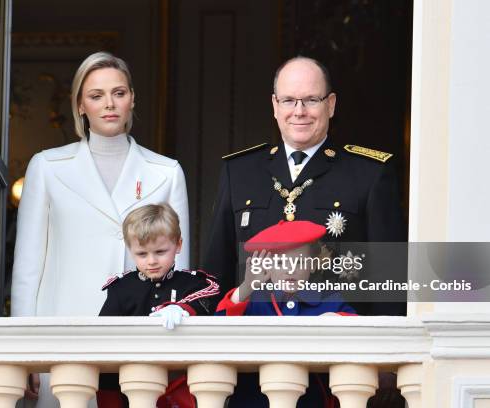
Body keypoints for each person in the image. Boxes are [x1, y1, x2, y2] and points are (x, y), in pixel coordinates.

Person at [11, 52, 190, 407]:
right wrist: (23, 351)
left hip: (138, 343)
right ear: (80, 104)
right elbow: (28, 269)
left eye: (119, 93)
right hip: (61, 337)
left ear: (132, 99)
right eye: (96, 95)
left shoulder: (166, 172)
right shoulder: (47, 167)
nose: (109, 104)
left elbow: (178, 273)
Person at [202, 56, 406, 315]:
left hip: (339, 346)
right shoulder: (239, 172)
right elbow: (215, 272)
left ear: (330, 105)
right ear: (275, 105)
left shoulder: (369, 174)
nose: (299, 111)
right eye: (288, 100)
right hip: (254, 344)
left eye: (311, 100)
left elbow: (390, 281)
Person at [215, 220, 355, 408]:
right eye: (280, 262)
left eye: (298, 261)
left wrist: (336, 319)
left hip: (310, 400)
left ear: (313, 265)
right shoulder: (255, 300)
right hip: (254, 400)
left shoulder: (328, 299)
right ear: (267, 267)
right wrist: (247, 287)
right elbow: (219, 326)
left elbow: (358, 328)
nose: (290, 269)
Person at [99, 203, 219, 408]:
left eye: (160, 251)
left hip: (180, 387)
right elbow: (104, 340)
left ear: (178, 244)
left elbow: (209, 298)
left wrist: (182, 308)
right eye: (142, 254)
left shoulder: (194, 284)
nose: (152, 261)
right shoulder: (122, 288)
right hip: (131, 389)